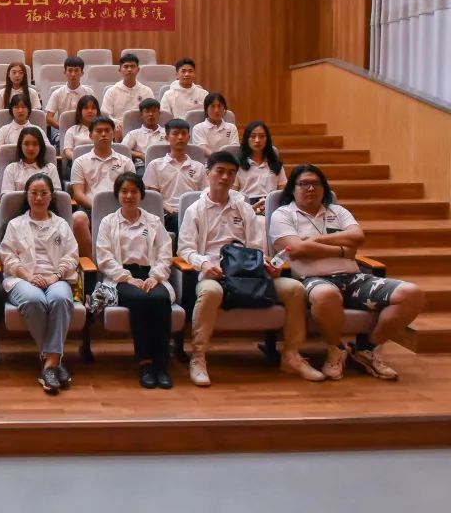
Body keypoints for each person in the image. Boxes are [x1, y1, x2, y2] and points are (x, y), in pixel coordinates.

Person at [177, 151, 323, 387]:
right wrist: (204, 264)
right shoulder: (195, 210)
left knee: (295, 289)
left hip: (248, 273)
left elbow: (255, 246)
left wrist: (265, 264)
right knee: (210, 292)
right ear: (208, 173)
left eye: (231, 173)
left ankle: (291, 355)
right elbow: (185, 249)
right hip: (215, 273)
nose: (225, 177)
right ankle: (199, 356)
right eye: (220, 171)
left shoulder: (243, 208)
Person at [271, 165, 425, 381]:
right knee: (326, 294)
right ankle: (335, 350)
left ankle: (367, 349)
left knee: (411, 294)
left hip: (353, 278)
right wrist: (343, 250)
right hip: (311, 280)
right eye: (304, 184)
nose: (310, 188)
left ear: (324, 188)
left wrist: (315, 239)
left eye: (316, 183)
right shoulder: (283, 214)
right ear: (293, 189)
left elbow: (358, 237)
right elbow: (296, 249)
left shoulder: (338, 211)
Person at [0, 173, 80, 395]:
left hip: (55, 277)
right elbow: (8, 257)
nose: (38, 198)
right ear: (27, 196)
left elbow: (72, 256)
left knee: (61, 298)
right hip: (22, 279)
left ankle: (49, 363)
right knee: (34, 299)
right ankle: (54, 361)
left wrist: (56, 275)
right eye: (34, 193)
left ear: (51, 196)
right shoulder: (16, 224)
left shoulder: (61, 224)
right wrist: (27, 275)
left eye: (44, 193)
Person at [95, 173, 175, 389]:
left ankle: (161, 365)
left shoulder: (153, 221)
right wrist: (128, 278)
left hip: (151, 275)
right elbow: (104, 258)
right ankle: (145, 363)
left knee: (160, 299)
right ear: (117, 194)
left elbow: (165, 254)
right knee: (140, 300)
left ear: (141, 194)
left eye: (134, 191)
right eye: (124, 191)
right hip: (120, 278)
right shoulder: (108, 222)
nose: (129, 196)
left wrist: (155, 276)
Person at [69, 116, 135, 255]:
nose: (103, 134)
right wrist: (97, 206)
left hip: (120, 208)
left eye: (107, 130)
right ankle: (91, 262)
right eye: (99, 131)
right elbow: (78, 193)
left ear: (113, 133)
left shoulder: (125, 161)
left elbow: (132, 190)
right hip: (90, 208)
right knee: (78, 218)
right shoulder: (80, 161)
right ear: (90, 135)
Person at [143, 118, 207, 239]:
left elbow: (204, 194)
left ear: (188, 137)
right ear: (167, 137)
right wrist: (169, 208)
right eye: (175, 134)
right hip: (167, 214)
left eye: (183, 134)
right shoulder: (156, 165)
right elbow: (153, 196)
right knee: (178, 220)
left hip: (194, 212)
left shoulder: (199, 167)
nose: (180, 137)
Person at [235, 120, 286, 215]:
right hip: (246, 209)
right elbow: (233, 194)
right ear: (246, 139)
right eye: (253, 136)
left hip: (271, 208)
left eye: (262, 136)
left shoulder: (276, 164)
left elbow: (281, 192)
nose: (257, 140)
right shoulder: (238, 165)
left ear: (267, 139)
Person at [45, 55, 94, 147]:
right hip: (62, 131)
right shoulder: (57, 93)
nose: (73, 74)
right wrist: (63, 129)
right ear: (65, 72)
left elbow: (95, 114)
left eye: (76, 70)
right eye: (70, 70)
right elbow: (49, 118)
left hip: (86, 129)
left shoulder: (89, 92)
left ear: (82, 73)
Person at [0, 127, 61, 196]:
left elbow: (56, 196)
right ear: (20, 146)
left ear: (41, 146)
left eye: (35, 144)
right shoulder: (11, 169)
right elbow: (7, 198)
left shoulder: (51, 168)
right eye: (26, 144)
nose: (31, 148)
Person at [101, 52, 154, 130]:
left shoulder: (147, 91)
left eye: (132, 66)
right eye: (126, 66)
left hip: (141, 129)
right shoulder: (111, 91)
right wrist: (115, 123)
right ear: (120, 70)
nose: (129, 69)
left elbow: (152, 113)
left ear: (138, 69)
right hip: (118, 128)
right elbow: (105, 115)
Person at [121, 98, 168, 167]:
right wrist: (140, 155)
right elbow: (122, 150)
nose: (151, 114)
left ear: (159, 114)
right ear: (141, 115)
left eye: (154, 111)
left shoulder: (168, 133)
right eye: (147, 111)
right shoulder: (134, 134)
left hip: (165, 165)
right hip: (143, 166)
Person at [159, 58, 209, 122]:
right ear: (177, 74)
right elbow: (164, 118)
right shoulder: (168, 95)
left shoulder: (204, 94)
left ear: (194, 74)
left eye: (190, 71)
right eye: (183, 71)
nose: (187, 74)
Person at [61, 94, 100, 164]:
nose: (90, 111)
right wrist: (82, 161)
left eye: (93, 108)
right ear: (80, 111)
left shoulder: (103, 130)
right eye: (86, 108)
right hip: (78, 163)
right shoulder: (72, 130)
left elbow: (110, 148)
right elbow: (68, 152)